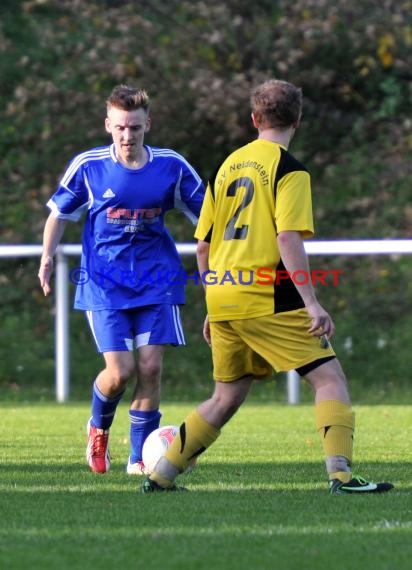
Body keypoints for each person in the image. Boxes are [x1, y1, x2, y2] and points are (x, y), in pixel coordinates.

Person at [141, 79, 394, 495]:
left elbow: (202, 245)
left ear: (254, 119)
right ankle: (342, 476)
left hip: (224, 294)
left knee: (227, 396)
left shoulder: (226, 168)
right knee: (330, 379)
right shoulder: (288, 169)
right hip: (267, 294)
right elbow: (287, 238)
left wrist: (214, 301)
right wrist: (311, 302)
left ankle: (162, 475)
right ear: (298, 119)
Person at [38, 85, 205, 475]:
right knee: (120, 373)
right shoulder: (89, 167)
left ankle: (138, 459)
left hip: (157, 280)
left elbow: (208, 215)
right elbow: (58, 215)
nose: (127, 136)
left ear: (148, 124)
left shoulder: (172, 167)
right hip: (104, 283)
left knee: (149, 368)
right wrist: (47, 258)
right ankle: (98, 428)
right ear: (108, 126)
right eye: (120, 128)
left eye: (135, 128)